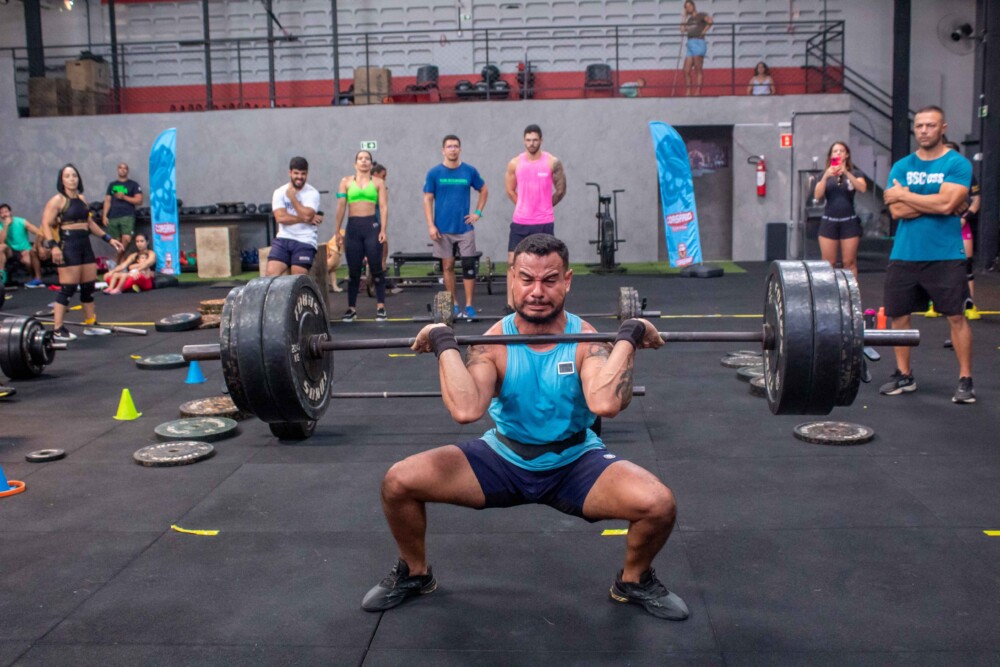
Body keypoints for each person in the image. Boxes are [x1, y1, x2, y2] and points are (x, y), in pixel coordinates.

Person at [361, 234, 687, 620]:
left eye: (549, 280)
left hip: (575, 462)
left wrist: (630, 334)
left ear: (567, 281)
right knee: (399, 482)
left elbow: (605, 404)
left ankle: (634, 580)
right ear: (512, 278)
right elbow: (466, 409)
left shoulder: (587, 341)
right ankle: (415, 572)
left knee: (658, 504)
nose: (537, 292)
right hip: (502, 457)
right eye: (527, 279)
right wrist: (442, 339)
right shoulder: (492, 344)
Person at [880, 106, 975, 403]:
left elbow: (947, 205)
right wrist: (935, 202)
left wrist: (904, 195)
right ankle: (904, 374)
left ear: (942, 128)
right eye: (919, 125)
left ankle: (965, 379)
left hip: (945, 254)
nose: (923, 130)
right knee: (898, 316)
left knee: (956, 316)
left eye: (930, 125)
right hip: (905, 253)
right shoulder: (901, 166)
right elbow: (897, 211)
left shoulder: (956, 163)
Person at [41, 164, 124, 341]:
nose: (72, 179)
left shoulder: (82, 199)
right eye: (67, 176)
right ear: (61, 180)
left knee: (88, 287)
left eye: (74, 176)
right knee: (68, 288)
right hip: (68, 245)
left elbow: (90, 223)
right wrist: (53, 246)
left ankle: (90, 325)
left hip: (84, 244)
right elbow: (46, 224)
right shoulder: (57, 200)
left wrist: (109, 239)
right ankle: (57, 329)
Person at [424, 134, 489, 320]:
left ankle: (469, 306)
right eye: (449, 146)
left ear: (460, 149)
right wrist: (431, 225)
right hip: (442, 229)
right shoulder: (434, 173)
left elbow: (484, 189)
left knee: (469, 266)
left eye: (455, 146)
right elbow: (427, 199)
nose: (452, 149)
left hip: (464, 228)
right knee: (448, 266)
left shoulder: (469, 171)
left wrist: (478, 213)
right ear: (443, 150)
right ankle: (453, 305)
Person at [504, 124, 565, 314]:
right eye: (528, 140)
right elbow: (510, 190)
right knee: (512, 263)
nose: (531, 143)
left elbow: (561, 190)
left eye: (535, 140)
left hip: (544, 222)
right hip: (521, 222)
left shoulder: (552, 162)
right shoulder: (515, 163)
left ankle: (548, 302)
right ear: (524, 141)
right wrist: (524, 205)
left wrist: (544, 206)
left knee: (546, 264)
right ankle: (511, 305)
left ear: (541, 140)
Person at [334, 150, 389, 321]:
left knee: (376, 267)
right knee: (354, 270)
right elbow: (341, 206)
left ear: (371, 164)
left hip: (372, 227)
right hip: (353, 229)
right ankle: (351, 308)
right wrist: (337, 230)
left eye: (367, 159)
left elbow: (384, 207)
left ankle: (381, 307)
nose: (364, 161)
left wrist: (383, 230)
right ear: (355, 163)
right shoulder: (345, 182)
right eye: (360, 158)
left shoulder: (378, 182)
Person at [813, 141, 867, 280]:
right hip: (829, 221)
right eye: (835, 151)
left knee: (849, 262)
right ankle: (828, 291)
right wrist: (826, 176)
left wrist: (846, 172)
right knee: (828, 263)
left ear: (847, 154)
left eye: (841, 151)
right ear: (831, 155)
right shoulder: (824, 174)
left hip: (849, 221)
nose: (838, 153)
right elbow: (817, 196)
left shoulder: (855, 173)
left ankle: (850, 291)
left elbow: (862, 188)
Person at [266, 156, 321, 278]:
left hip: (305, 240)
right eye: (296, 173)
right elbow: (280, 218)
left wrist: (292, 198)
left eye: (303, 174)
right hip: (283, 238)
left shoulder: (312, 193)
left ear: (307, 174)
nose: (299, 177)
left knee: (298, 276)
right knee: (270, 274)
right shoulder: (279, 192)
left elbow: (307, 215)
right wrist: (305, 218)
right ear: (290, 173)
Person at [944, 142, 981, 320]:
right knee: (938, 265)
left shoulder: (967, 175)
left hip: (961, 223)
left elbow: (976, 200)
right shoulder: (936, 175)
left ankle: (969, 305)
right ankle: (934, 303)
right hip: (940, 224)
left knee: (966, 264)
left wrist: (965, 218)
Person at [102, 162, 143, 263]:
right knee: (116, 242)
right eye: (120, 168)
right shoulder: (112, 185)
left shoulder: (133, 184)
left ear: (127, 171)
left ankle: (116, 261)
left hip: (127, 215)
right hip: (113, 216)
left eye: (125, 168)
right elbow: (107, 201)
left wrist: (124, 197)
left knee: (127, 239)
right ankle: (122, 265)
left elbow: (139, 201)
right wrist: (104, 215)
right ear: (117, 170)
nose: (122, 170)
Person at [372, 162, 402, 295]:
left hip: (377, 223)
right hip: (374, 224)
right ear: (375, 174)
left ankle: (382, 278)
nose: (384, 179)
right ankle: (381, 280)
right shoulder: (373, 188)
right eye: (383, 176)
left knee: (382, 251)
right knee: (382, 252)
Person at [0, 204, 46, 287]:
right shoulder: (1, 225)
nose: (4, 214)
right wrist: (6, 225)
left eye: (6, 212)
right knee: (1, 247)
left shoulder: (21, 221)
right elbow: (1, 241)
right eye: (1, 213)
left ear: (10, 212)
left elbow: (39, 233)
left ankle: (34, 278)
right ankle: (1, 275)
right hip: (10, 251)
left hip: (24, 249)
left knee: (27, 262)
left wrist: (38, 246)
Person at [681, 1, 712, 97]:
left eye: (690, 5)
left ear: (693, 6)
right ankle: (688, 90)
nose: (688, 8)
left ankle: (698, 91)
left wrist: (704, 31)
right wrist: (684, 16)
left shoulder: (701, 15)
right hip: (690, 44)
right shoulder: (689, 20)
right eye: (686, 7)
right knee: (686, 70)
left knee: (698, 69)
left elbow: (710, 21)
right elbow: (682, 29)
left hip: (698, 42)